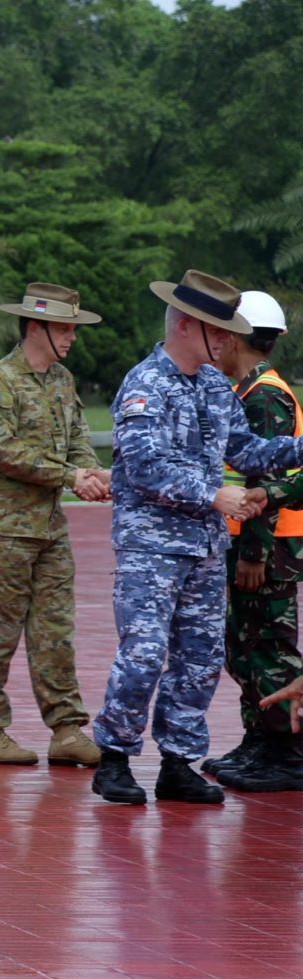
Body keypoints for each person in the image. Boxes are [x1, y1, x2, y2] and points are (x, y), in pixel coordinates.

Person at [92, 271, 303, 806]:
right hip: (151, 546)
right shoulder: (144, 385)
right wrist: (215, 497)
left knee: (200, 659)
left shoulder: (214, 386)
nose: (230, 343)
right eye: (220, 332)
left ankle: (177, 763)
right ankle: (114, 759)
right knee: (142, 655)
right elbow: (142, 465)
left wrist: (297, 450)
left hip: (205, 548)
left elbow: (249, 452)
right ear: (188, 327)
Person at [0, 283, 110, 769]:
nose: (71, 337)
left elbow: (78, 440)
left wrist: (90, 473)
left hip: (49, 529)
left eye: (73, 328)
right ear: (34, 326)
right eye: (64, 328)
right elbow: (4, 452)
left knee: (55, 632)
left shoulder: (62, 381)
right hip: (4, 530)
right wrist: (71, 476)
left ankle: (67, 729)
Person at [208, 292, 302, 790]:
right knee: (245, 644)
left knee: (269, 647)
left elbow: (270, 477)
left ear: (238, 336)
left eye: (222, 333)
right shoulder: (246, 391)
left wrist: (252, 551)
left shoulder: (264, 396)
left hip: (268, 548)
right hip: (259, 543)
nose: (215, 343)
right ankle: (261, 740)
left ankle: (288, 750)